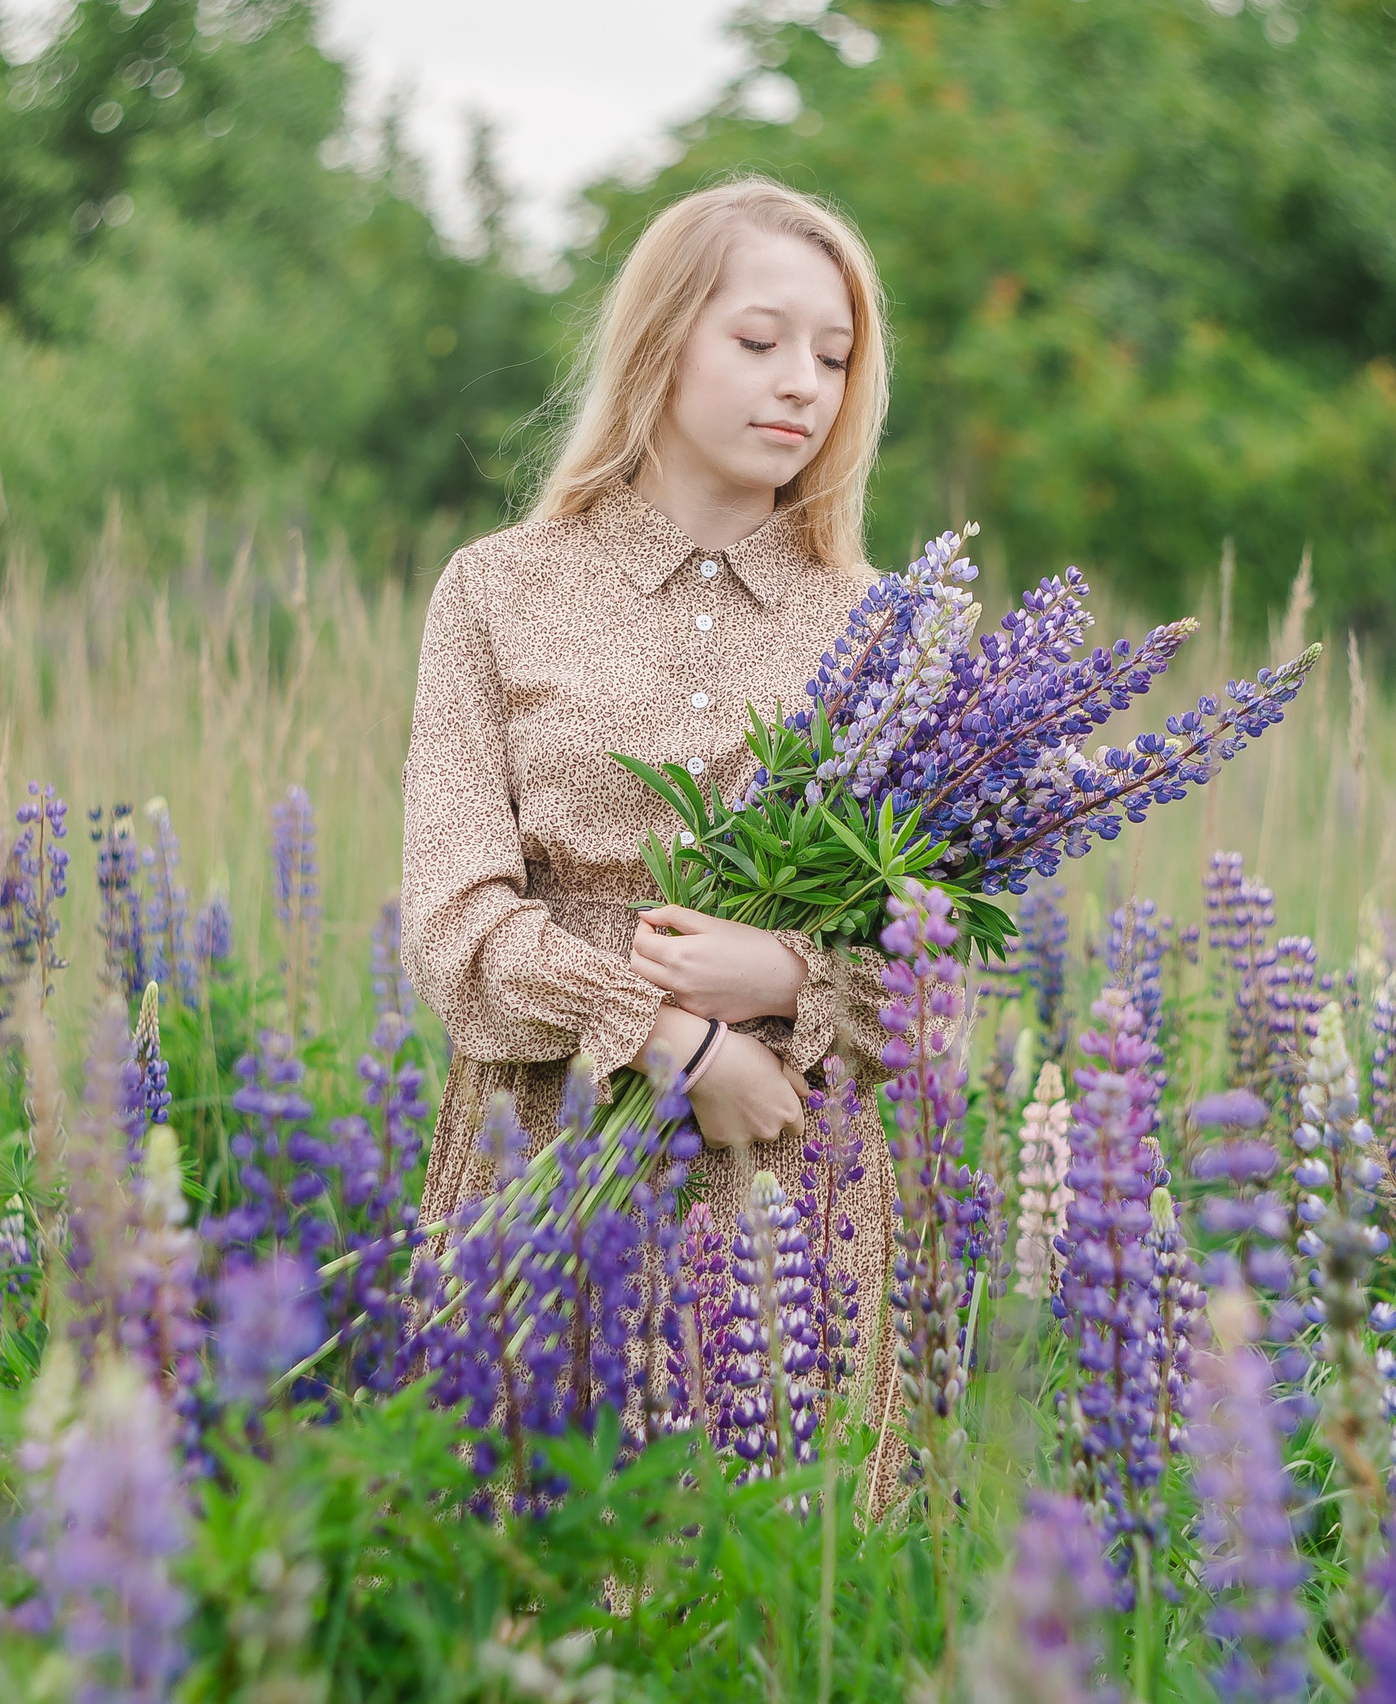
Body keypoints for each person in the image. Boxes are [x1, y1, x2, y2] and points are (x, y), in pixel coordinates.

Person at [401, 176, 905, 1497]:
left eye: (835, 355)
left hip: (791, 1176)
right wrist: (668, 1036)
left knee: (774, 1597)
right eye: (759, 340)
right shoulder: (498, 589)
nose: (803, 381)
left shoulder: (888, 627)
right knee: (538, 1573)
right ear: (664, 341)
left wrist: (794, 977)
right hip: (545, 1144)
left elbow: (947, 955)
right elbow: (454, 928)